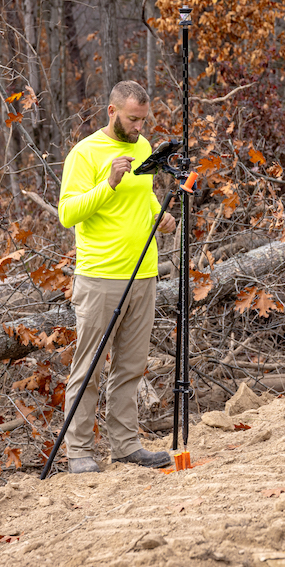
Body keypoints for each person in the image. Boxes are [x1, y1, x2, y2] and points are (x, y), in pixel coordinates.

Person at [57, 81, 176, 473]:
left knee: (131, 367)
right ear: (112, 112)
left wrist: (161, 216)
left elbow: (144, 196)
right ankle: (78, 453)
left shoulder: (143, 148)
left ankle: (125, 446)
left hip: (144, 273)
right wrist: (107, 184)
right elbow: (68, 213)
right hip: (100, 277)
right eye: (132, 119)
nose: (139, 127)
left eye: (143, 119)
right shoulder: (85, 153)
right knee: (89, 366)